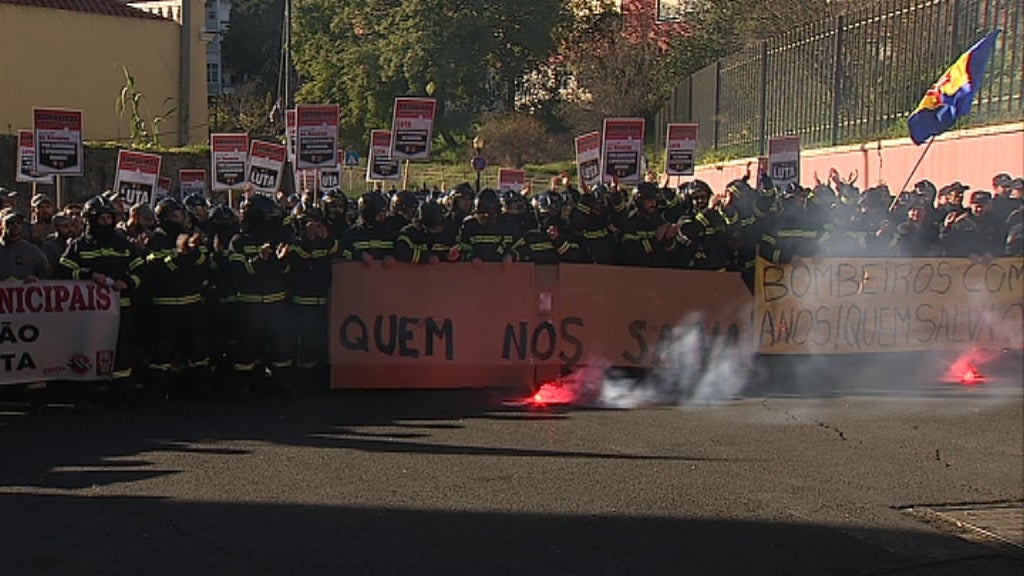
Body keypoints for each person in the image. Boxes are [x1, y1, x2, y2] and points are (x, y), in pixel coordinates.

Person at [59, 195, 145, 407]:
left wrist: (129, 282)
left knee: (122, 350)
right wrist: (89, 276)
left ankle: (121, 392)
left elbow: (141, 269)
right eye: (101, 219)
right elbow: (63, 271)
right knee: (87, 350)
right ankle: (85, 393)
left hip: (120, 309)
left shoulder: (124, 244)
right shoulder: (79, 246)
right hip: (88, 314)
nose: (106, 223)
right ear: (90, 220)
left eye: (109, 218)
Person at [141, 197, 211, 403]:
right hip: (165, 307)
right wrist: (178, 256)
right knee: (161, 353)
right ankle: (157, 391)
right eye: (174, 216)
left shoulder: (191, 237)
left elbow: (205, 265)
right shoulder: (156, 240)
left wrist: (193, 251)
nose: (178, 219)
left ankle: (199, 389)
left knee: (198, 350)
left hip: (192, 305)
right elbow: (157, 270)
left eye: (181, 215)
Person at [227, 194, 294, 398]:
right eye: (268, 216)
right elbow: (237, 274)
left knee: (281, 348)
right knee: (246, 350)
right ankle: (243, 387)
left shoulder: (275, 240)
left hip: (276, 305)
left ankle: (282, 385)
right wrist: (259, 259)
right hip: (250, 306)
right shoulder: (238, 242)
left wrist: (281, 261)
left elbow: (286, 273)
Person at [287, 204, 339, 392]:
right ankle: (304, 381)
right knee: (306, 342)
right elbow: (303, 258)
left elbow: (335, 249)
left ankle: (322, 378)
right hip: (302, 302)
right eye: (309, 223)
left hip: (322, 299)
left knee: (323, 341)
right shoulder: (295, 244)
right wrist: (309, 239)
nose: (314, 227)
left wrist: (325, 237)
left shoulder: (324, 242)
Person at [457, 188, 523, 264]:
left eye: (489, 215)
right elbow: (462, 247)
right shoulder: (469, 226)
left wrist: (511, 255)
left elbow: (521, 247)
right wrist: (471, 257)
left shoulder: (508, 225)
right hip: (474, 273)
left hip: (505, 273)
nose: (485, 217)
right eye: (481, 214)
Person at [619, 182, 677, 267]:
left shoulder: (660, 220)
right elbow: (632, 253)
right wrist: (656, 239)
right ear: (639, 201)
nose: (653, 203)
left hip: (659, 272)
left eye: (654, 199)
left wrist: (668, 240)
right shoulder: (630, 222)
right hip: (636, 273)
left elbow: (672, 254)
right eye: (648, 200)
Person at [522, 190, 582, 264]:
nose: (548, 219)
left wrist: (558, 240)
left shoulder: (569, 235)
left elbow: (575, 259)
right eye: (545, 214)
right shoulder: (531, 237)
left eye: (553, 213)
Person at [940, 190, 1003, 257]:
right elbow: (948, 243)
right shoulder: (960, 222)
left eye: (982, 206)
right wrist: (967, 254)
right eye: (977, 206)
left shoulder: (995, 223)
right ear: (970, 205)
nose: (979, 209)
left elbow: (1000, 242)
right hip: (963, 262)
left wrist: (992, 253)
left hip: (989, 262)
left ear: (988, 206)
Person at [394, 201, 460, 264]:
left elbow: (457, 252)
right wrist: (426, 258)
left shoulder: (448, 233)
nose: (440, 229)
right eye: (437, 227)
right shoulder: (411, 233)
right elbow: (400, 252)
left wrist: (448, 256)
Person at [340, 192, 396, 265]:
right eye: (379, 215)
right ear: (368, 214)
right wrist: (359, 255)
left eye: (384, 214)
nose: (383, 218)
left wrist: (392, 256)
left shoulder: (390, 233)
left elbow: (400, 251)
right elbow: (342, 252)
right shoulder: (351, 234)